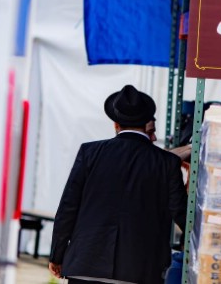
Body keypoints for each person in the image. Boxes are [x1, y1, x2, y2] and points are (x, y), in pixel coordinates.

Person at [49, 85, 188, 284]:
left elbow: (68, 208)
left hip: (85, 262)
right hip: (140, 270)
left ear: (116, 124)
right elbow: (182, 213)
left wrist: (57, 255)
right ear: (146, 123)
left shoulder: (89, 152)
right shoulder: (167, 162)